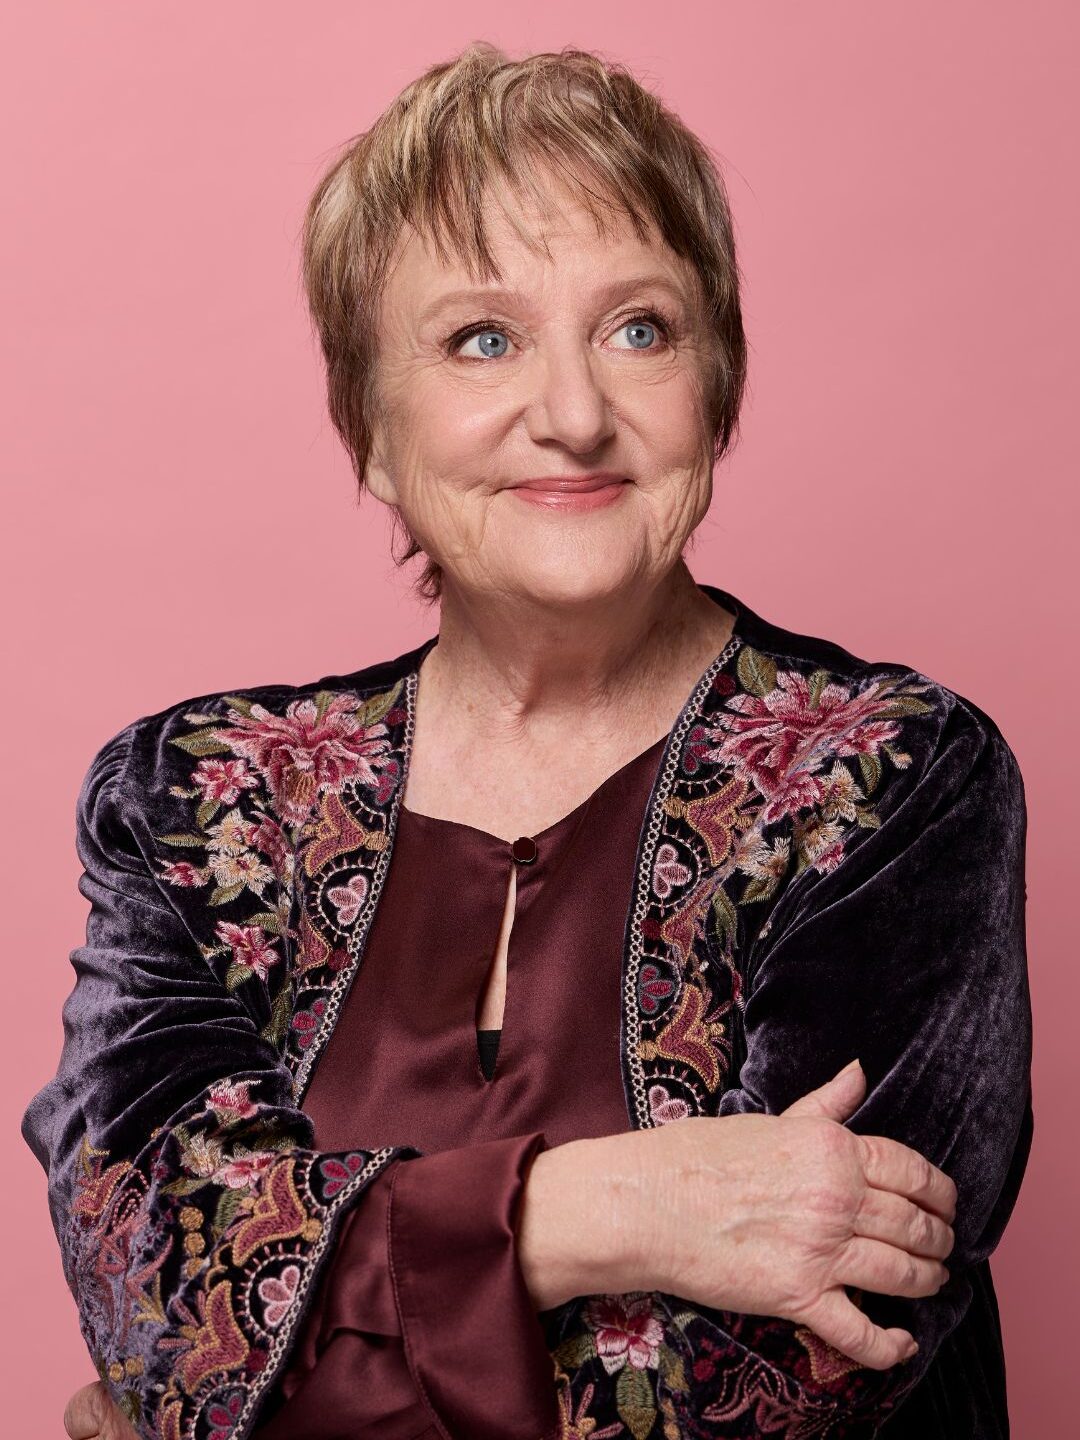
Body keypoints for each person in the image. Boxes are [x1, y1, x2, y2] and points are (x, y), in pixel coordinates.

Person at [27, 41, 1031, 1440]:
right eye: (480, 339)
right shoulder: (195, 802)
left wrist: (270, 1350)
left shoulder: (895, 779)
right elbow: (161, 1297)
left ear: (719, 389)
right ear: (371, 430)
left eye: (639, 328)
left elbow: (775, 1392)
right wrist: (585, 1212)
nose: (572, 417)